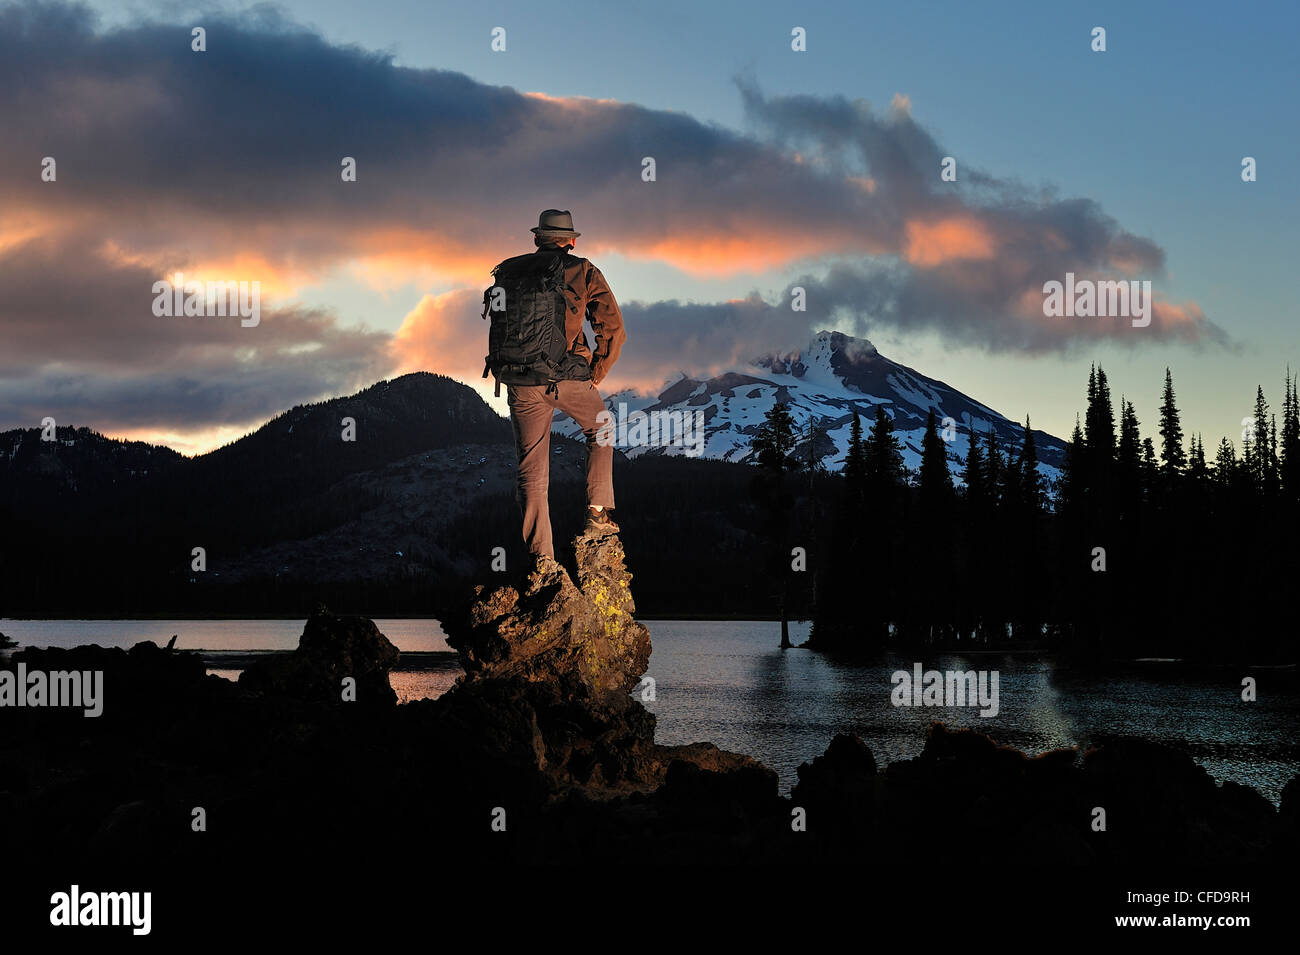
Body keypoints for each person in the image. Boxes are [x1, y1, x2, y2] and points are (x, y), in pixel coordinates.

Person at [482, 209, 627, 570]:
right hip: (567, 377)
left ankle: (541, 561)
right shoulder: (583, 270)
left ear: (537, 239)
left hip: (519, 381)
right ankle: (596, 513)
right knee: (601, 427)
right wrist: (597, 371)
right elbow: (612, 327)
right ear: (572, 241)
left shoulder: (509, 270)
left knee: (531, 470)